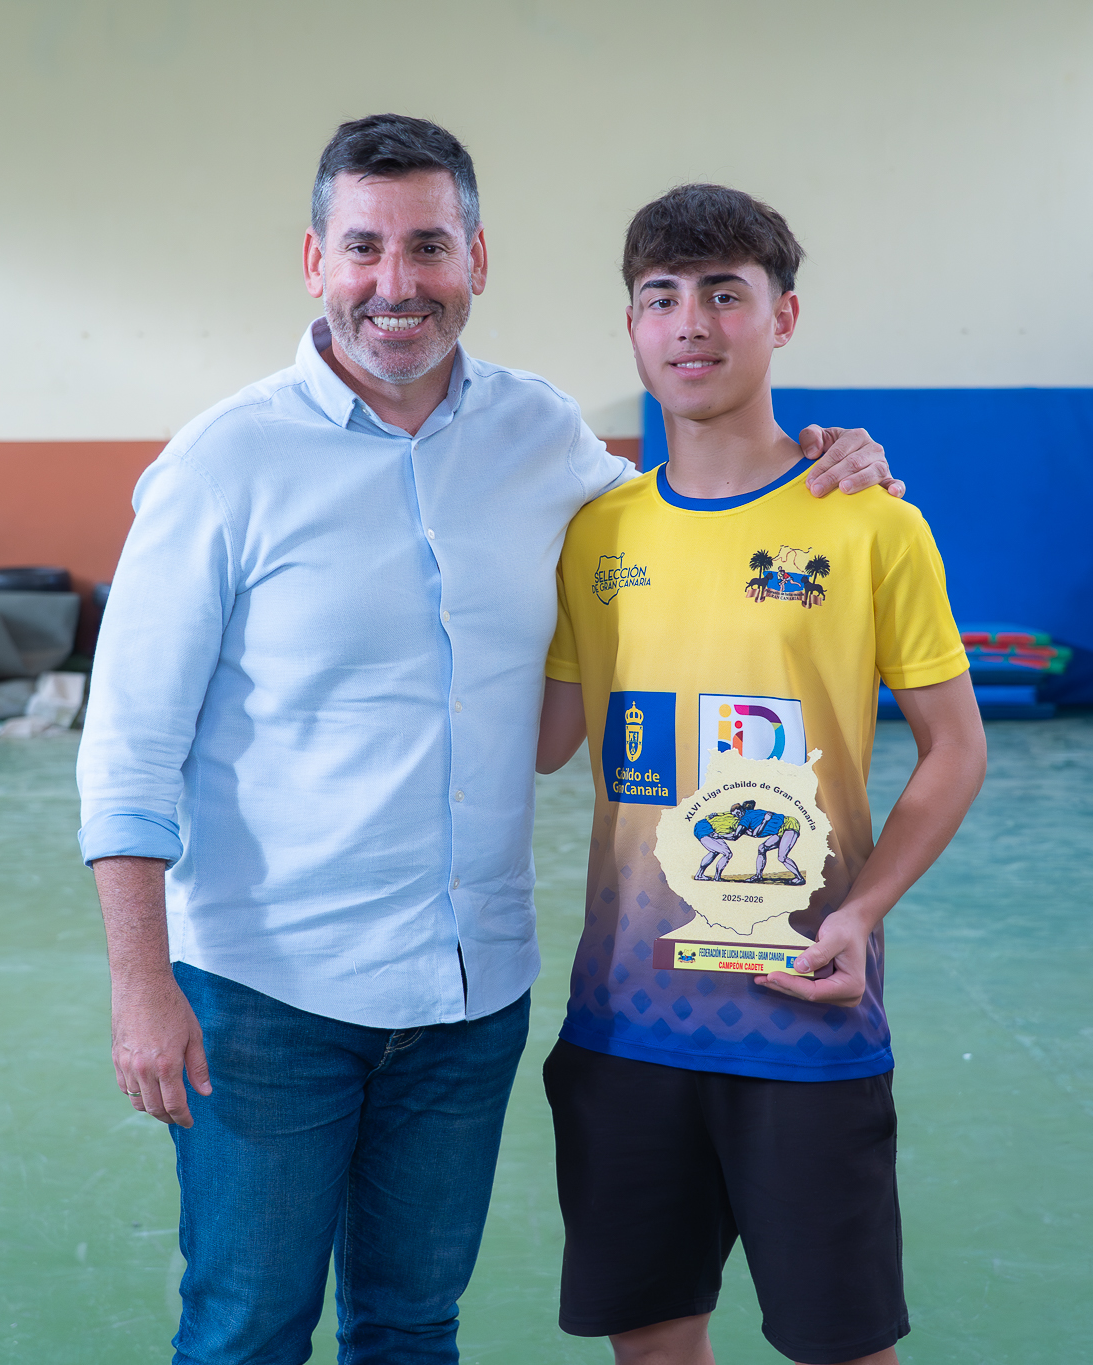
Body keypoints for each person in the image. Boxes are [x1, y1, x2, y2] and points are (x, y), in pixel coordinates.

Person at [76, 118, 905, 1364]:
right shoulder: (222, 464)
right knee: (247, 1327)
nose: (394, 282)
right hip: (267, 996)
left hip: (467, 999)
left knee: (414, 1326)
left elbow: (699, 505)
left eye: (427, 246)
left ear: (475, 259)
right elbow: (129, 750)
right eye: (363, 248)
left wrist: (828, 457)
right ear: (314, 261)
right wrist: (142, 988)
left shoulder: (541, 436)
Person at [535, 183, 989, 1365]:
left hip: (803, 1013)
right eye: (661, 297)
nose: (690, 323)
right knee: (651, 1344)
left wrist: (862, 913)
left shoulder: (872, 522)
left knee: (843, 1348)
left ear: (781, 317)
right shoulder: (595, 533)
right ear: (631, 326)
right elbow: (538, 739)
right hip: (626, 1021)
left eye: (723, 294)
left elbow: (955, 746)